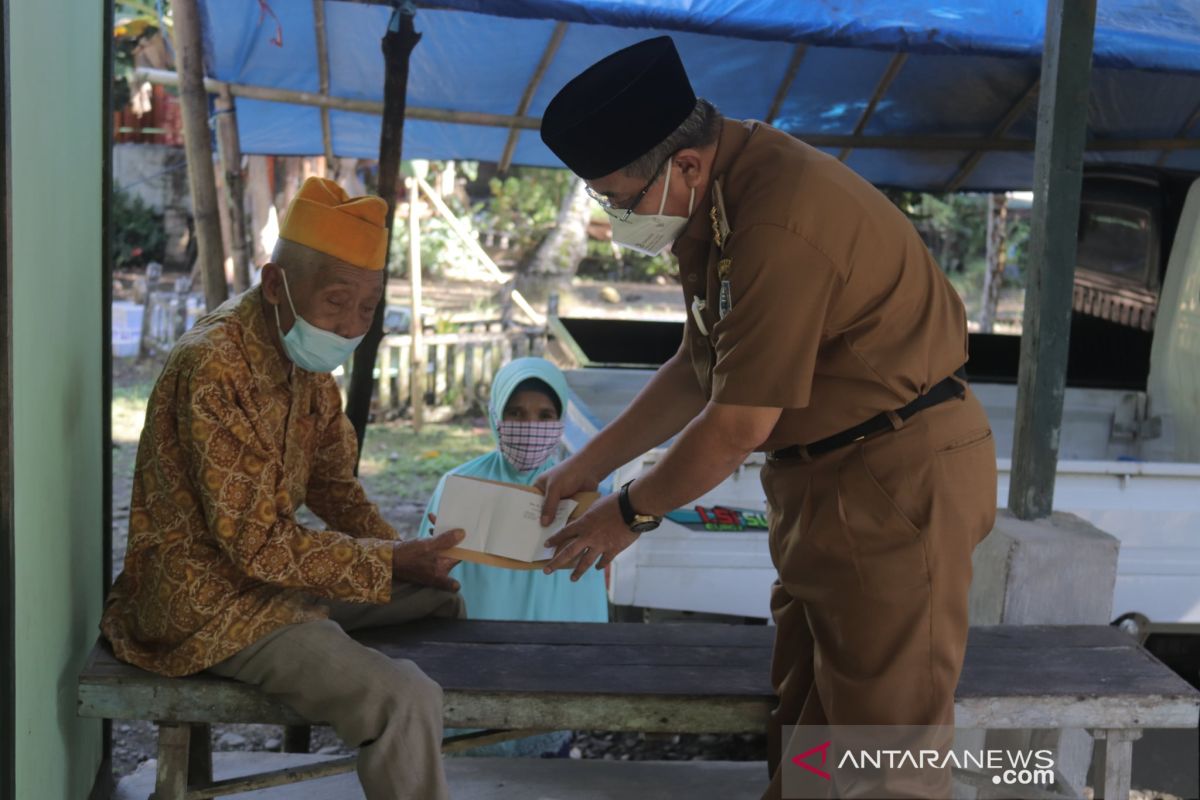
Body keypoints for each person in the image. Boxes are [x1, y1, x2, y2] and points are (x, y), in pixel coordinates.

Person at [534, 37, 998, 799]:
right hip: (824, 488)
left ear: (684, 164)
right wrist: (585, 467)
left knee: (884, 758)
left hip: (894, 483)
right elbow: (697, 367)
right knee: (809, 737)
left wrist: (628, 513)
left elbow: (736, 423)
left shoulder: (778, 218)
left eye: (620, 198)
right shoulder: (720, 199)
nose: (616, 219)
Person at [101, 176, 467, 800]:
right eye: (336, 301)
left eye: (368, 307)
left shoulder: (307, 363)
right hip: (208, 606)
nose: (351, 325)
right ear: (276, 285)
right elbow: (256, 547)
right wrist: (383, 560)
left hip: (275, 582)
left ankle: (389, 706)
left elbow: (334, 487)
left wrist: (402, 555)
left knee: (437, 599)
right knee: (403, 695)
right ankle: (391, 704)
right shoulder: (214, 364)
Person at [420, 357, 607, 758]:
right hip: (472, 661)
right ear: (496, 416)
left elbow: (588, 593)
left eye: (546, 415)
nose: (531, 426)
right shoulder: (458, 485)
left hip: (551, 664)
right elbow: (424, 577)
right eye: (517, 413)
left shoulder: (581, 497)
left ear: (560, 422)